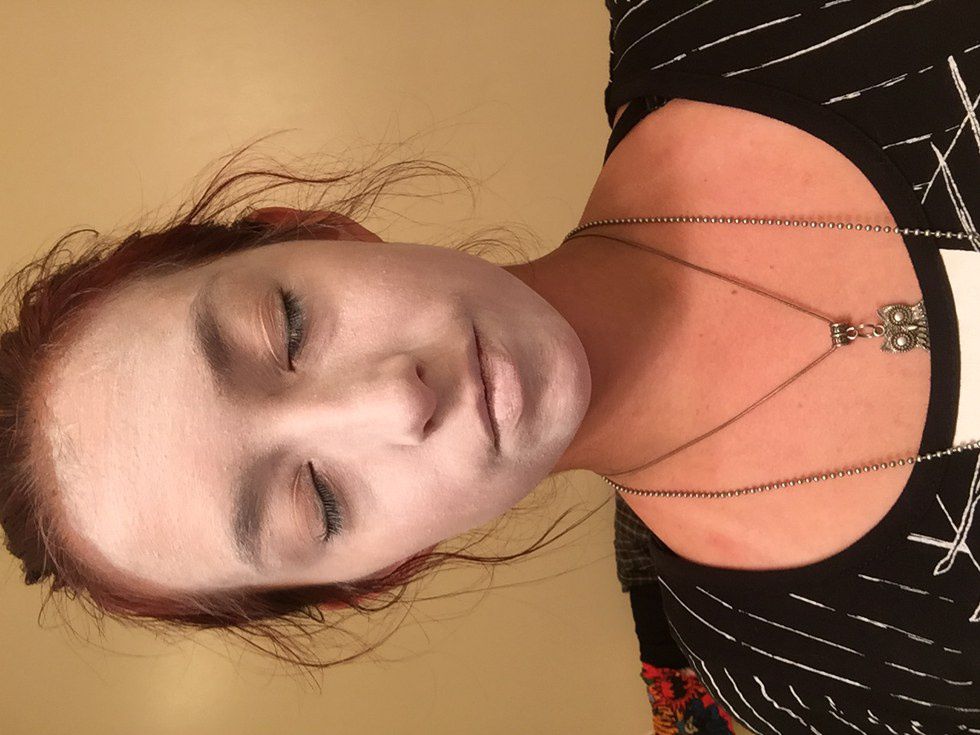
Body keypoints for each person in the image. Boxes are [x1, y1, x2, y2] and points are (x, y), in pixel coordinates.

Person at [2, 3, 978, 734]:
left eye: (287, 327)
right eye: (318, 503)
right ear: (374, 572)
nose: (392, 401)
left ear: (312, 231)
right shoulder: (805, 683)